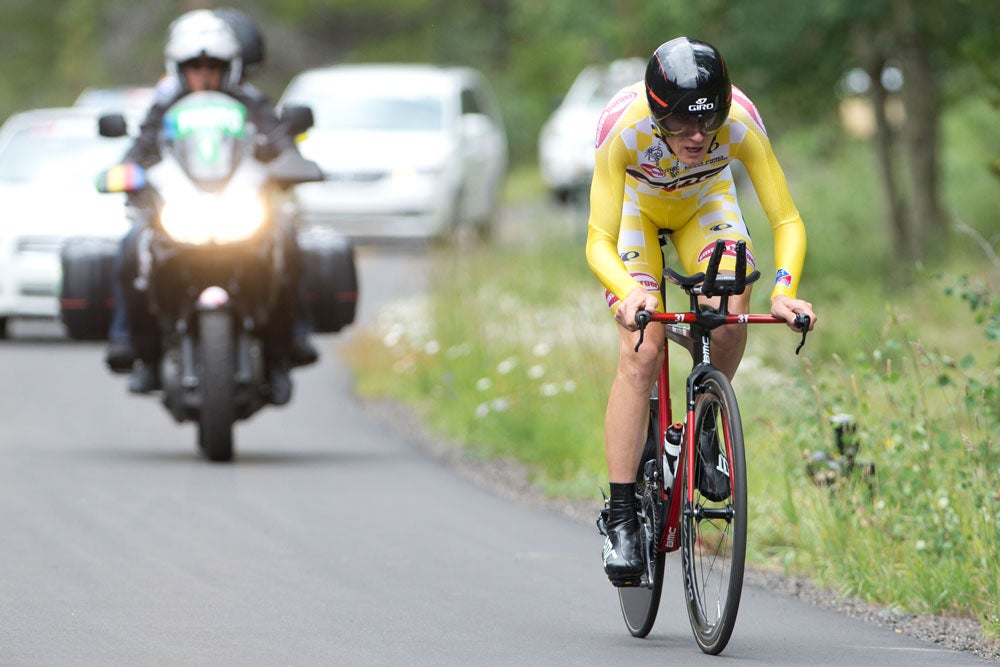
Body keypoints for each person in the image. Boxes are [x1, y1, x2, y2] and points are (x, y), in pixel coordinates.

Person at [586, 37, 818, 585]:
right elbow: (598, 238)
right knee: (641, 350)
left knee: (732, 307)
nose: (697, 136)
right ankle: (620, 517)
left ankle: (704, 419)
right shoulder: (625, 130)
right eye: (682, 126)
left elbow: (786, 220)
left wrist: (784, 289)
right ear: (656, 111)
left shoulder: (739, 123)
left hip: (704, 205)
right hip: (635, 214)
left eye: (707, 123)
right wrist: (629, 290)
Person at [104, 9, 315, 403]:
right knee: (132, 247)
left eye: (213, 65)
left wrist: (292, 164)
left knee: (286, 240)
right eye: (195, 66)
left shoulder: (251, 103)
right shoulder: (165, 106)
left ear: (230, 68)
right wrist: (124, 173)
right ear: (179, 68)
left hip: (238, 208)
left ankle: (287, 348)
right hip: (182, 210)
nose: (204, 73)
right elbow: (138, 151)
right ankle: (135, 346)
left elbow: (281, 142)